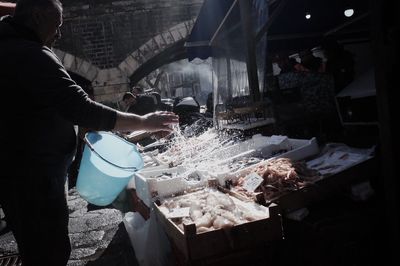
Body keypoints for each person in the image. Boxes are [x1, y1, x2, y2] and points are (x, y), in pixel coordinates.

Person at [0, 1, 178, 266]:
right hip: (33, 176)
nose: (60, 33)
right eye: (57, 25)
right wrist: (145, 121)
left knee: (37, 247)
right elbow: (81, 108)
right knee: (49, 251)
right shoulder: (30, 54)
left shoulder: (10, 46)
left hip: (22, 172)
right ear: (37, 16)